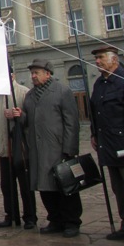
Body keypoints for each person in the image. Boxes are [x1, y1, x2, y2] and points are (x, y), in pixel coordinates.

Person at [12, 59, 82, 238]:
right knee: (45, 187)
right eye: (32, 73)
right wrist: (21, 116)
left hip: (58, 149)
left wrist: (70, 148)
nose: (33, 76)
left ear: (48, 74)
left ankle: (71, 221)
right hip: (37, 150)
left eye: (36, 73)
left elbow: (71, 122)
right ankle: (55, 219)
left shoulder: (62, 91)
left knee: (65, 186)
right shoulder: (30, 95)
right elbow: (28, 120)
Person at [0, 68, 37, 229]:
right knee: (6, 185)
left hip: (21, 148)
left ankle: (30, 216)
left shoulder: (24, 92)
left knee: (25, 184)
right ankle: (11, 214)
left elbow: (32, 118)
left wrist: (19, 115)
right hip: (4, 147)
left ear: (13, 76)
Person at [89, 46, 124, 241]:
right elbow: (95, 113)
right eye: (96, 59)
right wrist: (94, 134)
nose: (97, 62)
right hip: (108, 145)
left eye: (101, 58)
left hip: (122, 142)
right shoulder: (100, 84)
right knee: (118, 188)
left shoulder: (122, 81)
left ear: (114, 59)